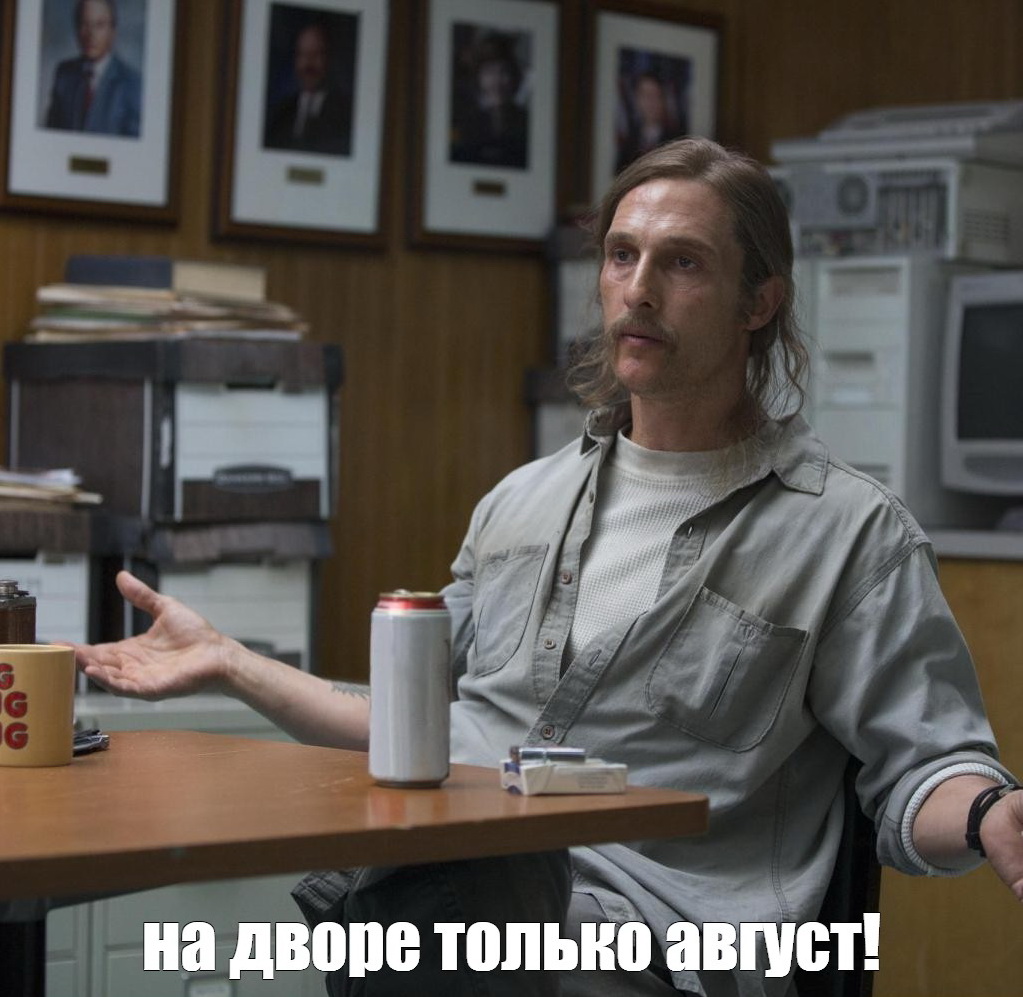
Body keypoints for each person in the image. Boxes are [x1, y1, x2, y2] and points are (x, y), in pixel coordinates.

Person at [75, 138, 1023, 997]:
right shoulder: (518, 504)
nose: (637, 289)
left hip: (659, 946)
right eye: (621, 255)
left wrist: (988, 811)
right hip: (465, 910)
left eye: (682, 262)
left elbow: (927, 763)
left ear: (759, 302)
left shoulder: (849, 533)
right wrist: (230, 662)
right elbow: (411, 726)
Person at [44, 0, 141, 138]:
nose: (91, 34)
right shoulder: (64, 73)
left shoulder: (132, 83)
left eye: (99, 25)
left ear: (113, 31)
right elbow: (50, 134)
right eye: (84, 24)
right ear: (76, 29)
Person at [263, 20, 353, 156]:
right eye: (303, 54)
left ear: (329, 59)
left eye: (317, 54)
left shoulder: (346, 114)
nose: (308, 64)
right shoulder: (282, 113)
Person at [449, 33, 529, 169]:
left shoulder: (527, 122)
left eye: (504, 72)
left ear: (515, 77)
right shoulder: (466, 123)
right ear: (479, 78)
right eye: (489, 72)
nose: (497, 81)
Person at [616, 71, 686, 173]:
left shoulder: (677, 140)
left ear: (663, 99)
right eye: (646, 95)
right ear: (637, 99)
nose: (650, 102)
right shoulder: (630, 140)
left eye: (655, 95)